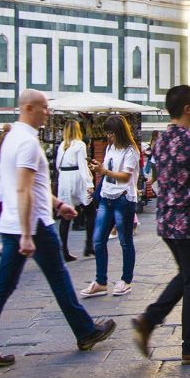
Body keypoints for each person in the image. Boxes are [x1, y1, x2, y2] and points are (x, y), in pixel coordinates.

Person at [0, 90, 115, 368]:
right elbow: (23, 188)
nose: (48, 112)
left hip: (15, 222)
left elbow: (30, 185)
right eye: (44, 107)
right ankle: (85, 331)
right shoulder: (27, 143)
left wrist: (58, 204)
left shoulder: (12, 138)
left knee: (5, 286)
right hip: (32, 224)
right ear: (29, 108)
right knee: (57, 279)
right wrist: (26, 234)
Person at [131, 86, 190, 363]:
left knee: (186, 275)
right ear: (187, 108)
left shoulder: (161, 142)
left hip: (166, 221)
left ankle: (149, 320)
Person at [81, 115, 140, 298]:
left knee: (125, 241)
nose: (108, 136)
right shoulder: (110, 147)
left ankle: (126, 280)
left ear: (119, 132)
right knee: (98, 240)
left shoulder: (131, 150)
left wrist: (104, 171)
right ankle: (101, 282)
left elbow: (125, 177)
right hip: (107, 197)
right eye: (107, 133)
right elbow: (108, 172)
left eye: (111, 133)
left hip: (123, 199)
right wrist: (99, 169)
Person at [54, 121, 92, 261]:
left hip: (64, 179)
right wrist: (89, 183)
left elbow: (57, 165)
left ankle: (64, 250)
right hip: (77, 178)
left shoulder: (62, 146)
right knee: (90, 211)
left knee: (66, 215)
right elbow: (83, 166)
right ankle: (89, 244)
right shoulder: (80, 144)